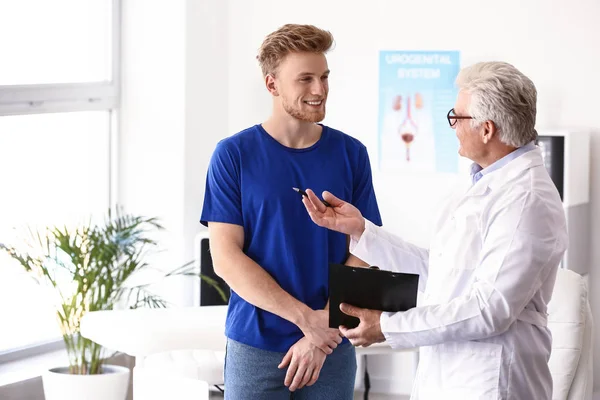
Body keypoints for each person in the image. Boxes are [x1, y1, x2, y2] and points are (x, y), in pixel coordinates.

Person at [301, 61, 567, 399]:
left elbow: (489, 310)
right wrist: (362, 232)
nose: (453, 126)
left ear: (486, 129)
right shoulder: (486, 184)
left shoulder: (526, 199)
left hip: (492, 383)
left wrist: (387, 326)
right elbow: (443, 273)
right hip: (452, 376)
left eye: (457, 117)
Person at [200, 24, 382, 399]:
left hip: (332, 345)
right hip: (257, 346)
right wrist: (307, 322)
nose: (319, 90)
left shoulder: (351, 155)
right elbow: (225, 257)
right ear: (272, 85)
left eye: (324, 77)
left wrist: (323, 330)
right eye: (305, 79)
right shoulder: (233, 155)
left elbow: (366, 248)